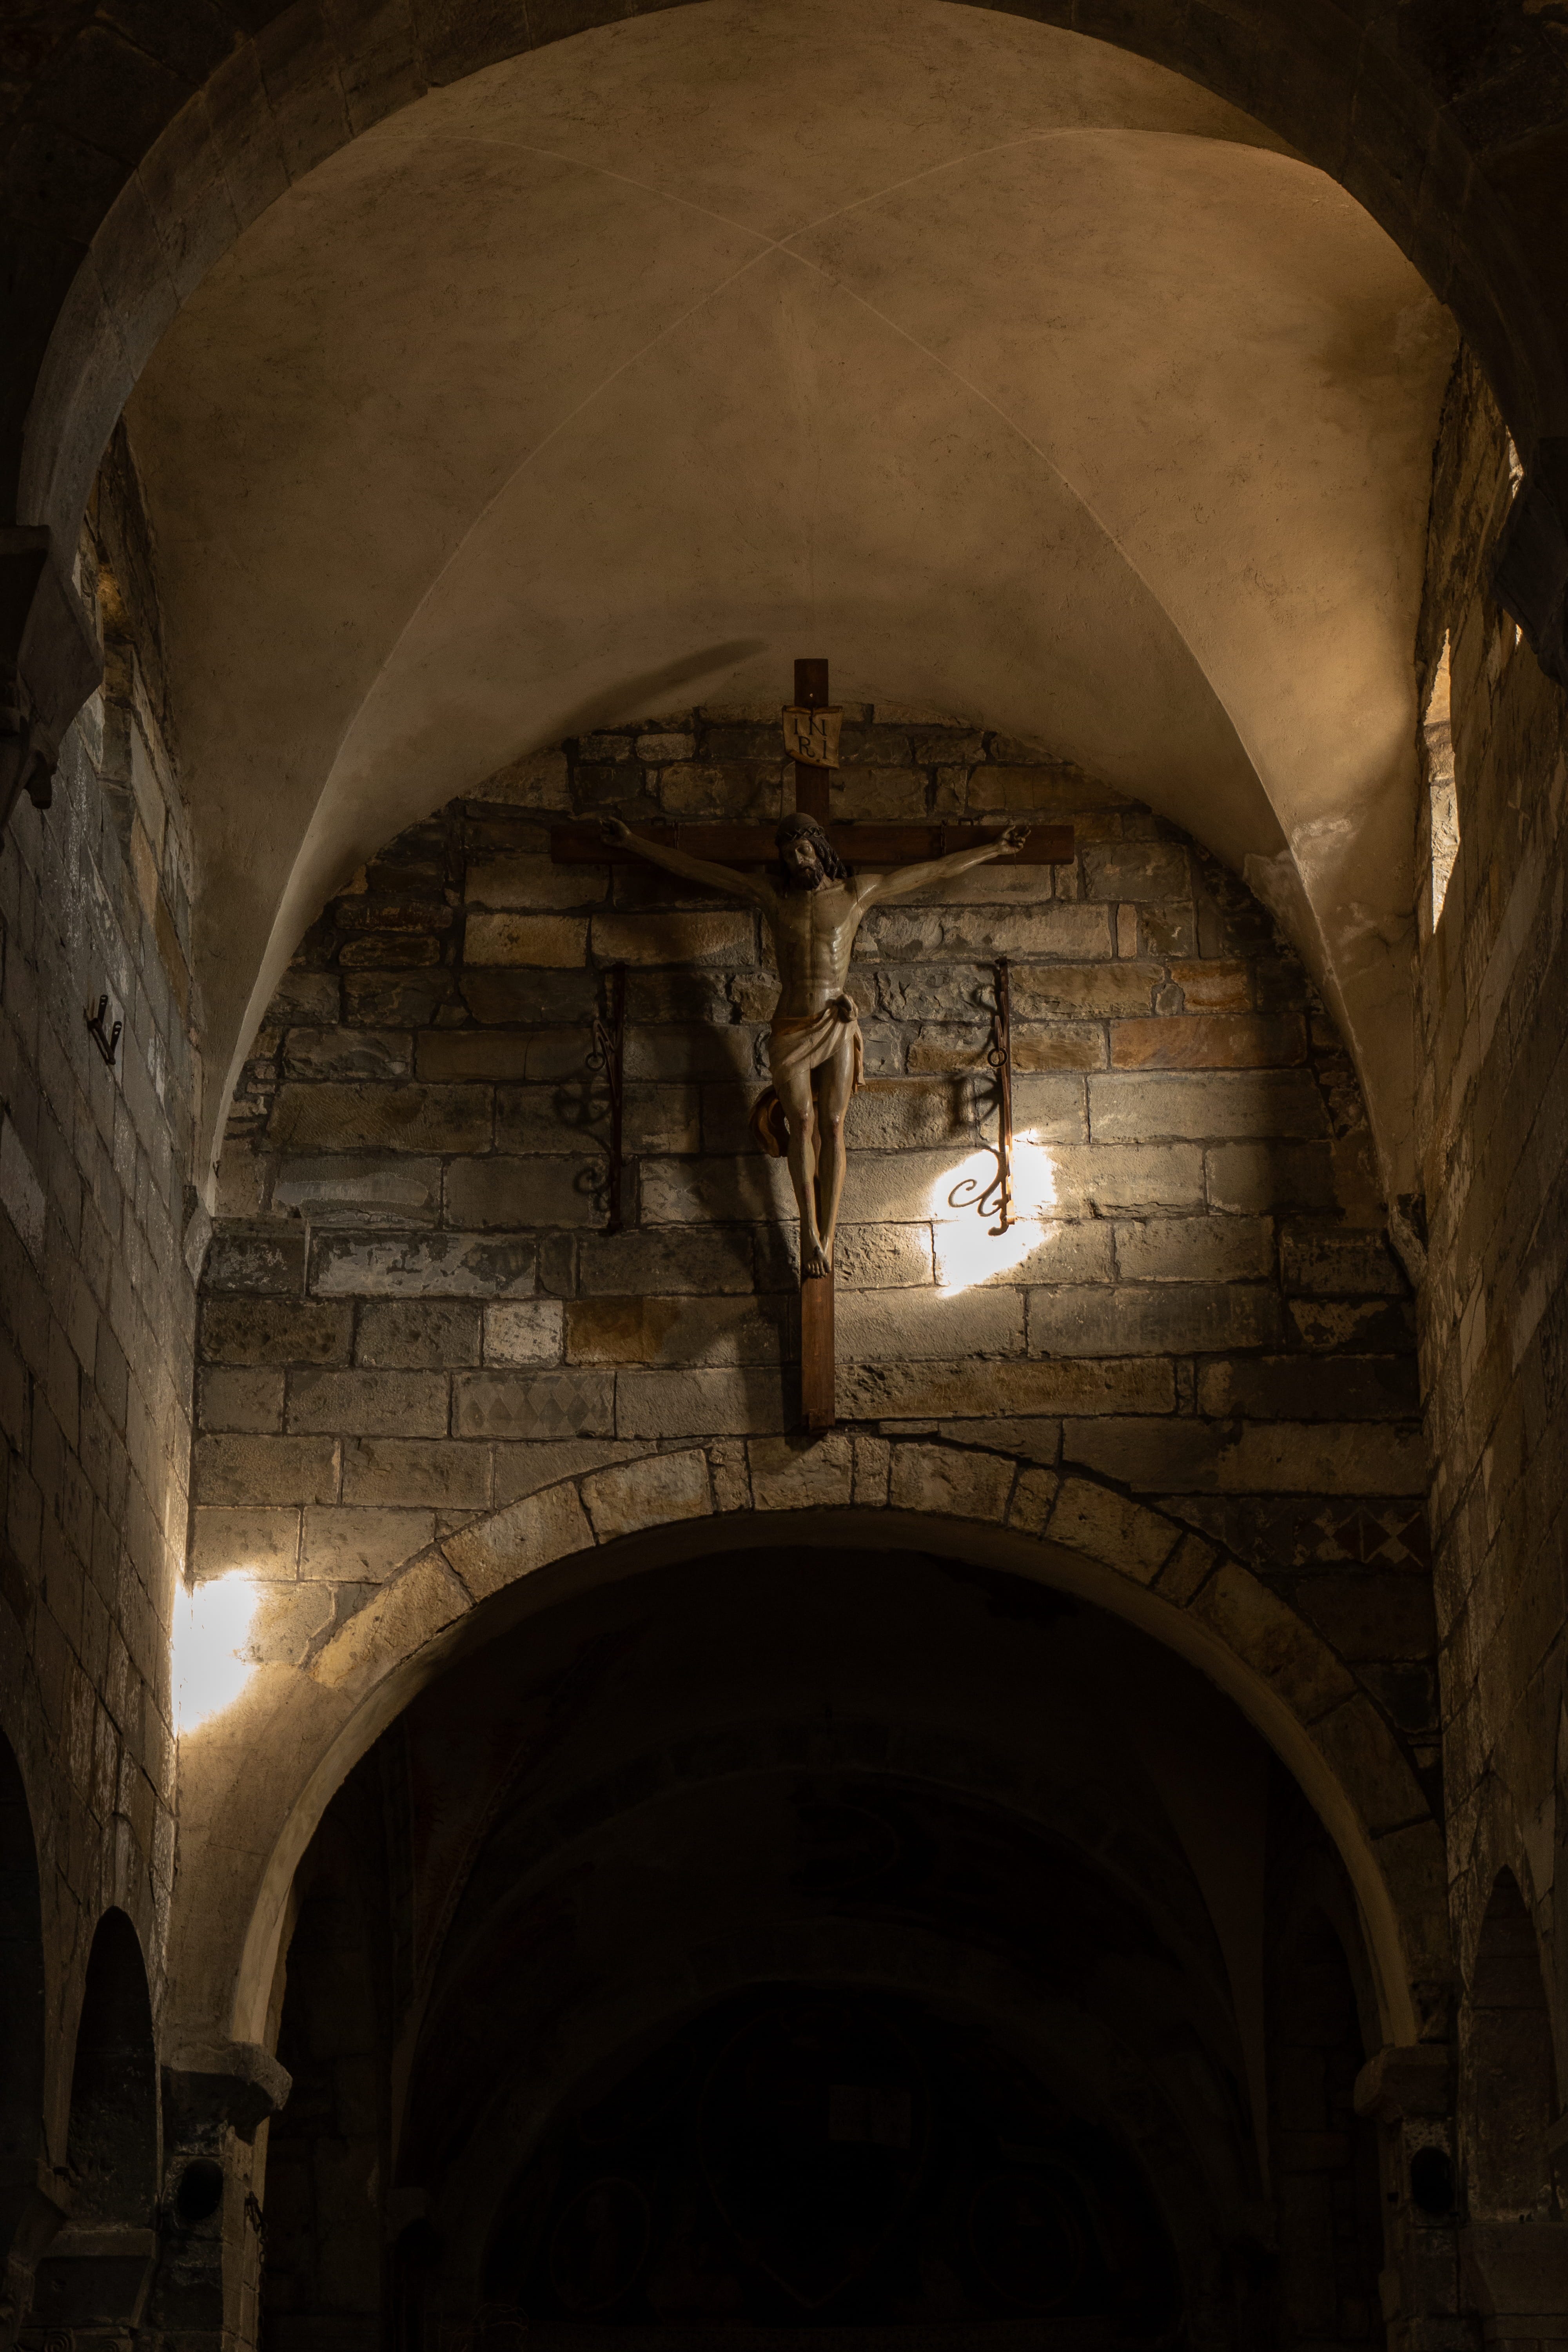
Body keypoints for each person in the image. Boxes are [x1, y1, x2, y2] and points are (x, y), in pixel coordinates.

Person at [600, 810, 1031, 1277]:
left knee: (834, 1122)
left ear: (821, 849)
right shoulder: (773, 897)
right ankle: (808, 1230)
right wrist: (633, 843)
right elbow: (701, 871)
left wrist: (995, 848)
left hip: (836, 1021)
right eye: (788, 855)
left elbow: (931, 872)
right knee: (801, 1121)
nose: (797, 860)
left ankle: (828, 1234)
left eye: (803, 850)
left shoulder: (853, 894)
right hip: (790, 1026)